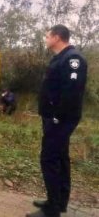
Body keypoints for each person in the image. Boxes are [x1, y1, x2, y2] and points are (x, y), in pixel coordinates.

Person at [27, 25, 87, 217]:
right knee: (60, 158)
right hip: (54, 118)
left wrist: (56, 117)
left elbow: (72, 93)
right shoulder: (60, 58)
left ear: (57, 37)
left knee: (50, 159)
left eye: (47, 36)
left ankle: (52, 209)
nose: (46, 39)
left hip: (61, 119)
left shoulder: (73, 59)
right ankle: (58, 202)